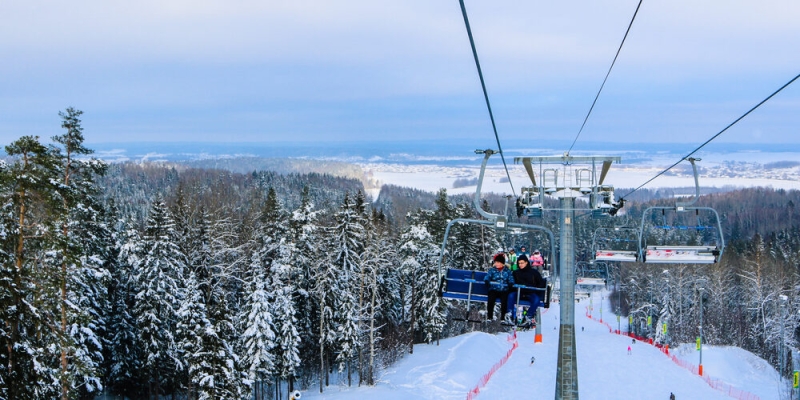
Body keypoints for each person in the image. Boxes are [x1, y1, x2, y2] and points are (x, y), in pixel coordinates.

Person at [506, 254, 546, 323]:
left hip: (530, 293)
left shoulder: (534, 273)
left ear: (526, 262)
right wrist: (513, 286)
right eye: (519, 263)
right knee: (511, 296)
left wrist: (535, 288)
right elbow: (511, 282)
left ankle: (529, 315)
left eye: (522, 263)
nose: (520, 265)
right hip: (518, 292)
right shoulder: (516, 273)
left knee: (536, 299)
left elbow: (541, 283)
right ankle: (509, 314)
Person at [484, 253, 514, 321]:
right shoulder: (492, 270)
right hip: (494, 289)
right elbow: (488, 276)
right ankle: (490, 316)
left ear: (502, 263)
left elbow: (511, 278)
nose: (496, 264)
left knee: (504, 301)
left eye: (498, 262)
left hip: (503, 289)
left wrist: (511, 283)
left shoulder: (507, 271)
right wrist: (487, 280)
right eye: (495, 262)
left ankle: (503, 317)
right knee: (491, 300)